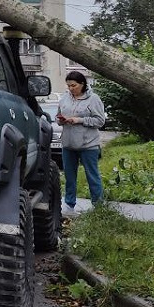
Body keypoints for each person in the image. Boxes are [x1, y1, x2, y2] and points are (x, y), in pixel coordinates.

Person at [57, 70, 107, 215]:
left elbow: (100, 121)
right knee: (69, 176)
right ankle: (69, 204)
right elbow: (58, 115)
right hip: (68, 143)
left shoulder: (93, 99)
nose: (71, 89)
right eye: (68, 86)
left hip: (88, 145)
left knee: (92, 175)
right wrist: (60, 120)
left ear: (82, 84)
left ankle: (98, 205)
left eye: (73, 86)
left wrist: (79, 120)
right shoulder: (65, 98)